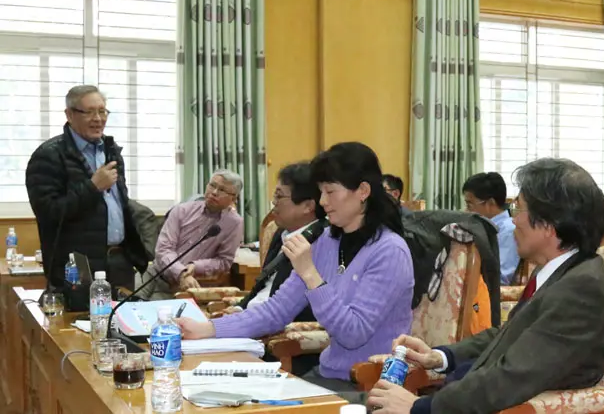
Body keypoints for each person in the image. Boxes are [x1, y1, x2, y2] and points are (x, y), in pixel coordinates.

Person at [367, 158, 604, 414]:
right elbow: (509, 334)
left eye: (518, 209)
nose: (513, 220)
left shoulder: (582, 290)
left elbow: (512, 378)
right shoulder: (558, 271)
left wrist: (419, 407)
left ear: (549, 224)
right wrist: (440, 357)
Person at [178, 142, 414, 402]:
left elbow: (353, 333)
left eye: (330, 192)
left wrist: (310, 274)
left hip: (370, 386)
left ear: (363, 191)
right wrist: (207, 329)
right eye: (321, 192)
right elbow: (276, 310)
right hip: (327, 375)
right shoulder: (327, 241)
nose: (323, 202)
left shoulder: (389, 251)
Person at [25, 85, 149, 293]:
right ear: (69, 115)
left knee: (124, 314)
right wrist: (92, 187)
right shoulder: (49, 155)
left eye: (102, 111)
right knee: (79, 315)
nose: (98, 119)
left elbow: (119, 204)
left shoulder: (111, 151)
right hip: (77, 267)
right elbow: (49, 213)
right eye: (89, 112)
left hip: (119, 260)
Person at [226, 162, 326, 319]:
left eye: (279, 196)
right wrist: (239, 309)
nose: (273, 202)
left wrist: (247, 320)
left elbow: (300, 307)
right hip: (253, 318)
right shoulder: (281, 233)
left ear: (308, 206)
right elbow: (261, 287)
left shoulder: (322, 240)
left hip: (275, 326)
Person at [135, 170, 244, 299]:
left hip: (186, 286)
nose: (214, 192)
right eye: (212, 185)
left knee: (157, 309)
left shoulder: (234, 223)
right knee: (127, 305)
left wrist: (196, 266)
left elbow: (224, 261)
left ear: (234, 198)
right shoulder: (181, 210)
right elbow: (164, 249)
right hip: (154, 274)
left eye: (222, 190)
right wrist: (181, 272)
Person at [462, 172, 520, 285]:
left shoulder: (508, 231)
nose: (466, 211)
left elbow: (501, 278)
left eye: (469, 205)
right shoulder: (482, 227)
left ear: (490, 203)